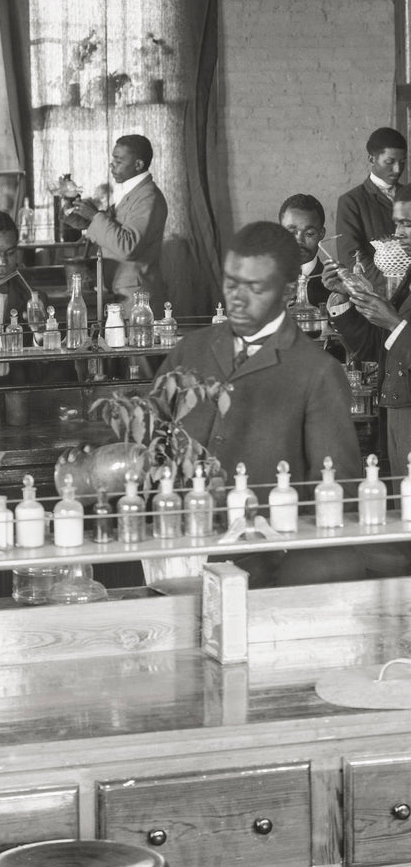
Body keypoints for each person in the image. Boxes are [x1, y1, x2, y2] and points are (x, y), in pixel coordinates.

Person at [158, 221, 363, 586]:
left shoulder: (315, 373)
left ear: (287, 291)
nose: (237, 298)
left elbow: (338, 491)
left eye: (255, 288)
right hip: (175, 554)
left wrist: (288, 563)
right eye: (231, 283)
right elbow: (149, 443)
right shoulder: (189, 350)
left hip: (268, 569)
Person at [328, 186, 411, 473]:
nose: (399, 233)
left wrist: (394, 324)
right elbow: (374, 348)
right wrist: (346, 298)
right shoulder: (405, 280)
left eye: (408, 223)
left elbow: (395, 332)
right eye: (397, 222)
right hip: (397, 412)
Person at [66, 134, 167, 307]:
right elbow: (107, 227)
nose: (112, 165)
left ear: (138, 164)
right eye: (113, 160)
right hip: (122, 291)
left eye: (119, 161)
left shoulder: (148, 198)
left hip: (136, 298)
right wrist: (71, 206)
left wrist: (94, 216)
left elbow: (128, 246)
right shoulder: (133, 193)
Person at [336, 127, 406, 280]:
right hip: (376, 292)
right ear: (371, 159)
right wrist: (395, 284)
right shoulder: (351, 201)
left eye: (402, 162)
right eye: (389, 162)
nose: (397, 169)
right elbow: (351, 258)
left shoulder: (408, 195)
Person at [278, 193, 332, 309]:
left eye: (309, 234)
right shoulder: (262, 281)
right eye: (291, 232)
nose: (299, 241)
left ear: (321, 234)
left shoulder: (334, 287)